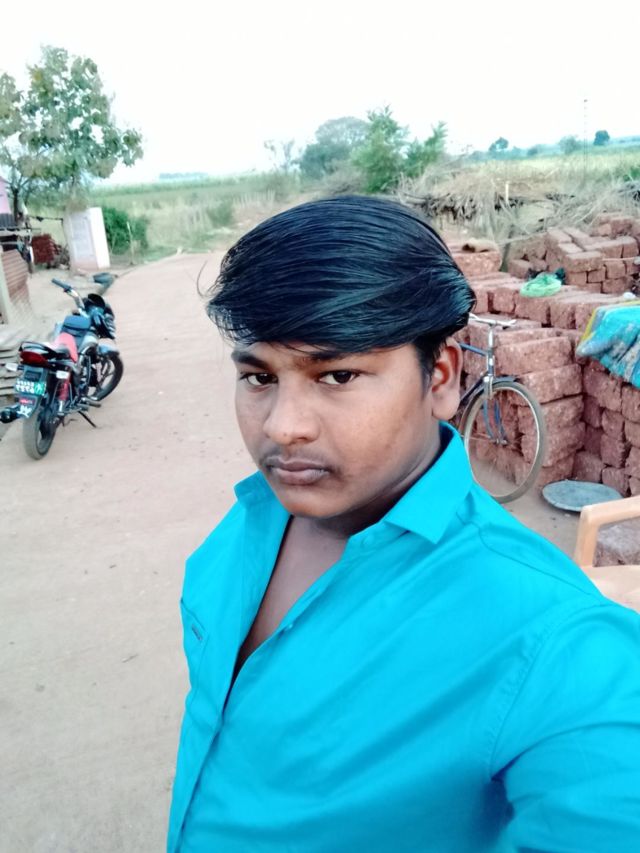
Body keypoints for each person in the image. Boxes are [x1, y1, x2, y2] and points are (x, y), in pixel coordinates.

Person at [168, 195, 640, 853]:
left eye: (337, 374)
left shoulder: (548, 637)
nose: (282, 425)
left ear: (440, 378)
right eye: (258, 377)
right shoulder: (257, 513)